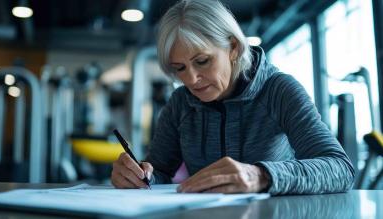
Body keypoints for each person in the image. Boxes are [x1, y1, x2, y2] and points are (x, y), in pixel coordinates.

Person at [111, 0, 355, 195]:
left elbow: (340, 168)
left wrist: (261, 175)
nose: (191, 79)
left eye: (202, 61)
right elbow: (160, 170)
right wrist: (139, 175)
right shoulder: (180, 103)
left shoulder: (279, 90)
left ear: (233, 48)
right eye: (180, 68)